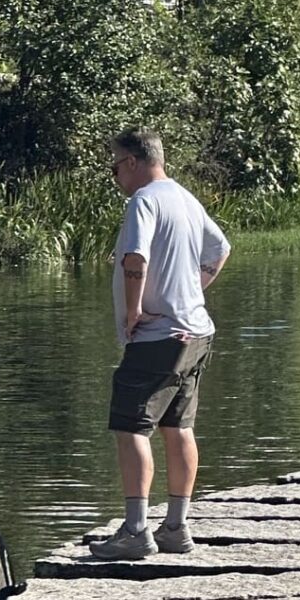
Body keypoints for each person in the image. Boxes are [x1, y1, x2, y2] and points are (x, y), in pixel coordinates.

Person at [88, 129, 231, 561]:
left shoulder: (144, 200)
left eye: (114, 165)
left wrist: (133, 312)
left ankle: (135, 531)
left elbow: (136, 257)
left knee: (130, 427)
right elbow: (220, 249)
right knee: (178, 426)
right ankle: (176, 528)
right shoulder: (185, 198)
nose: (114, 174)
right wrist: (191, 293)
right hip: (196, 333)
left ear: (132, 161)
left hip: (156, 338)